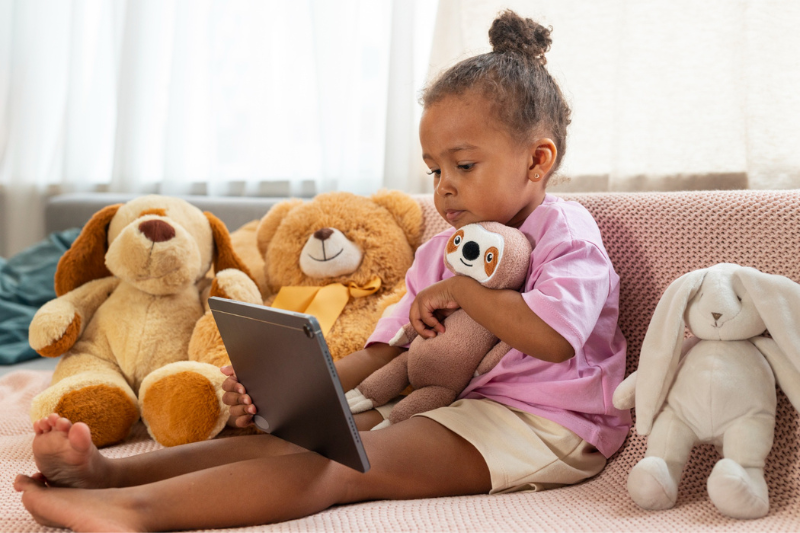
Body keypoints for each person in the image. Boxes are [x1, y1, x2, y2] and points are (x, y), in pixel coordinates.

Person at [13, 10, 631, 532]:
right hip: (456, 404)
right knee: (293, 441)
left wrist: (464, 291)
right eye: (434, 170)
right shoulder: (441, 251)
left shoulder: (566, 233)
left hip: (545, 425)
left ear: (537, 160)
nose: (443, 188)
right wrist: (295, 391)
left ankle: (134, 513)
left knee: (342, 464)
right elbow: (386, 351)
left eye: (463, 165)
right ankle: (109, 474)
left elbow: (553, 337)